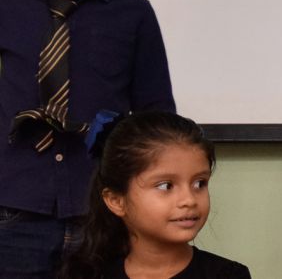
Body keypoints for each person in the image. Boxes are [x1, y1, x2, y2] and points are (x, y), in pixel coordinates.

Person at [0, 0, 175, 278]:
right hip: (12, 205)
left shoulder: (133, 13)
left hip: (100, 209)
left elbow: (155, 114)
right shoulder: (5, 2)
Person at [58, 111, 249, 279]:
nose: (189, 200)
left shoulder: (227, 275)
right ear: (116, 201)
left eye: (199, 183)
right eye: (166, 186)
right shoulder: (88, 274)